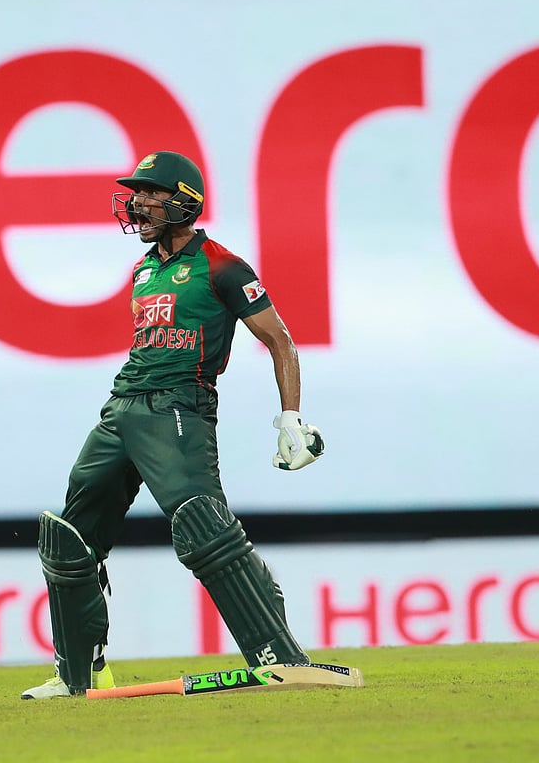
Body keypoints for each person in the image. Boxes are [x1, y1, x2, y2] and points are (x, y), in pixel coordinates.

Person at [21, 151, 325, 699]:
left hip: (180, 408)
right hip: (122, 407)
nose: (136, 202)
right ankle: (80, 675)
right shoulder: (142, 269)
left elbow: (279, 341)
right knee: (70, 537)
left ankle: (281, 657)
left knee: (203, 527)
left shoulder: (223, 265)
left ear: (183, 200)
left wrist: (291, 419)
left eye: (149, 192)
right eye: (135, 193)